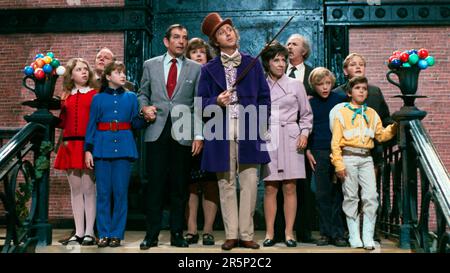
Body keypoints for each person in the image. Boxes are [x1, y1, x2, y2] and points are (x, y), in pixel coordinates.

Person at [198, 12, 271, 250]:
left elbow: (264, 98)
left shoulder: (253, 62)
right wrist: (216, 102)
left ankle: (247, 233)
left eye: (229, 29)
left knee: (250, 181)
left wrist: (259, 123)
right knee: (226, 182)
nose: (227, 33)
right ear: (215, 41)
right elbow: (200, 104)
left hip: (249, 127)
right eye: (221, 32)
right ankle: (231, 234)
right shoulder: (208, 69)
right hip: (221, 129)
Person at [137, 24, 202, 250]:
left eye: (184, 38)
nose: (181, 42)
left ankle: (177, 234)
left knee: (179, 187)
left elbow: (198, 103)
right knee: (154, 186)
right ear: (166, 41)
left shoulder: (195, 68)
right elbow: (142, 94)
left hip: (183, 133)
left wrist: (198, 134)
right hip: (156, 131)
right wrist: (144, 109)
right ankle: (151, 235)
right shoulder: (150, 65)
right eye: (176, 37)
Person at [84, 61, 147, 248]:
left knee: (120, 193)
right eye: (118, 72)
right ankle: (103, 233)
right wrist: (88, 150)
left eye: (123, 72)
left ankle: (116, 234)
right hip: (102, 148)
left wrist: (146, 117)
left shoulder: (131, 97)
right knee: (103, 193)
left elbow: (136, 123)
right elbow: (91, 125)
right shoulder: (98, 99)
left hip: (125, 148)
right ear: (108, 77)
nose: (122, 75)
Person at [330, 76, 397, 250]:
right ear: (349, 92)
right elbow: (336, 142)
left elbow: (380, 135)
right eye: (358, 88)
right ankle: (354, 236)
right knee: (351, 196)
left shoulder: (371, 113)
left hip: (367, 158)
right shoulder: (342, 113)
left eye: (364, 88)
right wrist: (338, 164)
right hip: (348, 157)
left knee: (371, 197)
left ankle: (368, 236)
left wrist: (395, 127)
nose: (361, 91)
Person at [260, 42, 313, 248]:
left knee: (291, 186)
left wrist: (304, 133)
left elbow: (306, 115)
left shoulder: (296, 85)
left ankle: (289, 232)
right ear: (268, 63)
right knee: (270, 187)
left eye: (284, 59)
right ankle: (270, 232)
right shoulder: (260, 84)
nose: (281, 64)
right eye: (276, 60)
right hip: (269, 136)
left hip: (292, 137)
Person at [55, 58, 98, 246]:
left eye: (86, 69)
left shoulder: (95, 94)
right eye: (79, 69)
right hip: (69, 146)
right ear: (71, 74)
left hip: (87, 146)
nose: (84, 72)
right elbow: (62, 123)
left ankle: (90, 232)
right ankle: (79, 231)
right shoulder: (66, 96)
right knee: (76, 190)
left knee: (89, 189)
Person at [305, 67, 347, 247]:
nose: (324, 87)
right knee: (322, 194)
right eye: (320, 84)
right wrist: (307, 150)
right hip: (318, 151)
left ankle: (338, 233)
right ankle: (325, 233)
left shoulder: (341, 100)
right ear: (313, 85)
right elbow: (305, 127)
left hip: (338, 151)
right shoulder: (310, 103)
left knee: (339, 194)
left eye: (328, 83)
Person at [183, 37, 219, 246]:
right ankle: (191, 229)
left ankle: (208, 230)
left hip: (213, 132)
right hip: (187, 131)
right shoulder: (185, 75)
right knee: (191, 184)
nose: (198, 54)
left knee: (210, 183)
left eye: (201, 51)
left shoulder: (214, 76)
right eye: (193, 51)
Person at [285, 33, 316, 243]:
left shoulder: (314, 74)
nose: (289, 47)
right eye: (287, 43)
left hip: (306, 136)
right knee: (279, 184)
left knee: (303, 185)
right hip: (281, 134)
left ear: (303, 51)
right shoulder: (276, 73)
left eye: (294, 44)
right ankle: (280, 231)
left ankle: (303, 230)